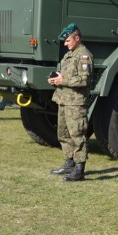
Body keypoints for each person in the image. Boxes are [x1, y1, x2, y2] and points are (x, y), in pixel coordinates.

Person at [48, 23, 93, 182]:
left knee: (77, 134)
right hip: (63, 100)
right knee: (63, 133)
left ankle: (79, 169)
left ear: (77, 38)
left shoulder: (83, 55)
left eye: (67, 41)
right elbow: (67, 77)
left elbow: (84, 79)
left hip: (75, 103)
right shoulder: (69, 55)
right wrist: (57, 78)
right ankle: (69, 163)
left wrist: (63, 80)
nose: (65, 44)